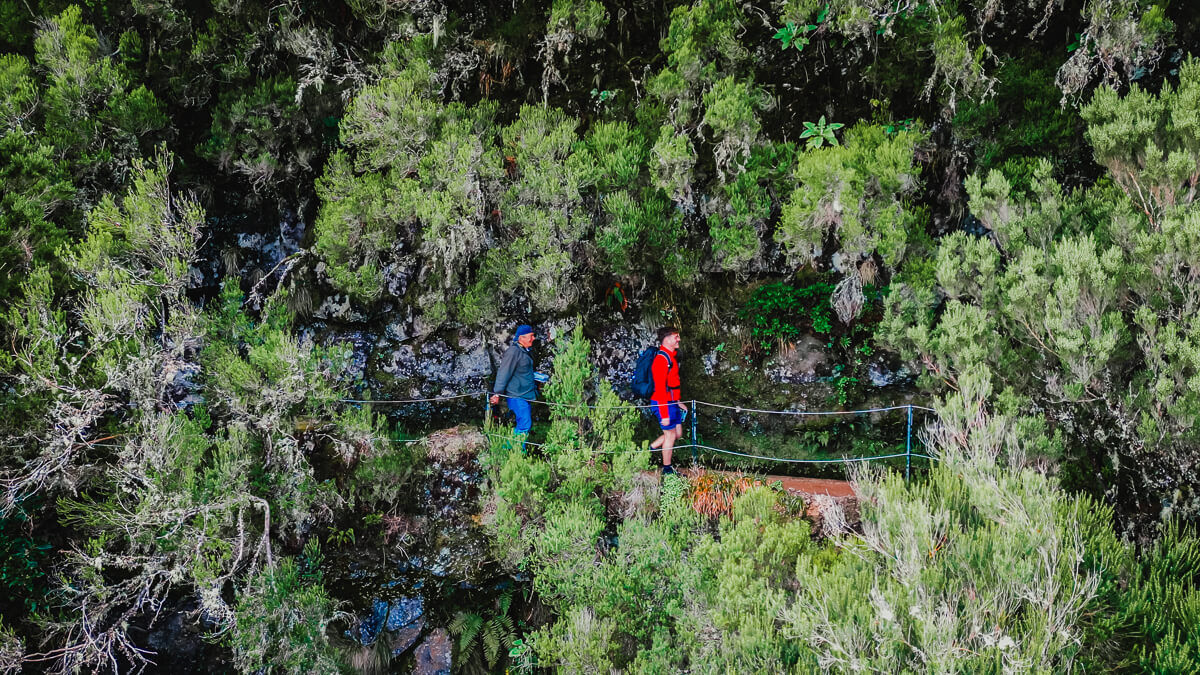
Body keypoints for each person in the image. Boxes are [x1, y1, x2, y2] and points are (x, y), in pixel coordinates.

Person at [649, 326, 687, 475]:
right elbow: (659, 389)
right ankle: (667, 470)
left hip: (671, 402)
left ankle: (650, 449)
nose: (679, 339)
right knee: (670, 435)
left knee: (677, 433)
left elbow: (672, 384)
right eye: (676, 336)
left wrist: (678, 401)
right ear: (667, 339)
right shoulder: (661, 360)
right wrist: (664, 414)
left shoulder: (670, 357)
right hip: (662, 403)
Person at [491, 324, 537, 439]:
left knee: (524, 424)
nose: (533, 338)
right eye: (531, 336)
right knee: (524, 425)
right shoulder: (513, 352)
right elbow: (504, 372)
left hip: (524, 395)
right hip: (517, 396)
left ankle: (514, 451)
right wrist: (497, 393)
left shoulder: (524, 351)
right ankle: (513, 451)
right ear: (521, 338)